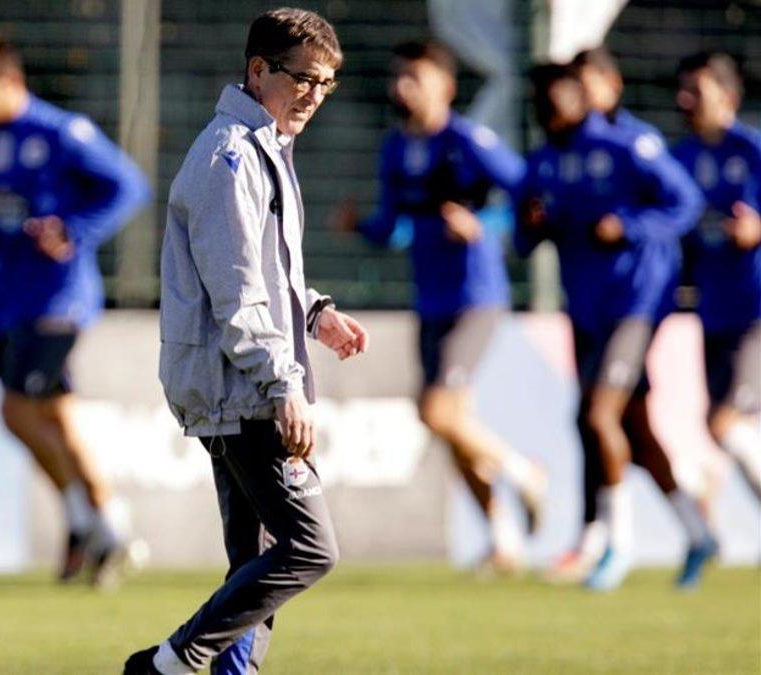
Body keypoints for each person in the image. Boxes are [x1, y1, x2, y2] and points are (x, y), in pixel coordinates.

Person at [126, 9, 368, 674]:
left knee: (256, 563)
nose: (314, 95)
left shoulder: (261, 147)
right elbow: (237, 295)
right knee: (309, 549)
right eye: (303, 79)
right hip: (245, 387)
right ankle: (169, 664)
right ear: (258, 71)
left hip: (244, 383)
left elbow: (266, 270)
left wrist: (315, 313)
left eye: (326, 84)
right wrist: (284, 381)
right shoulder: (230, 155)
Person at [334, 40, 546, 573]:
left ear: (445, 87)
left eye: (416, 78)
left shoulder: (469, 141)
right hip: (430, 297)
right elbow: (394, 225)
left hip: (476, 297)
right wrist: (361, 226)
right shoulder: (396, 148)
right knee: (451, 423)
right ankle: (504, 543)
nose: (403, 88)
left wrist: (487, 228)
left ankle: (525, 474)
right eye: (398, 77)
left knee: (437, 410)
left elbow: (529, 195)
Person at [0, 36, 150, 586]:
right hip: (13, 301)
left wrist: (74, 230)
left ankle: (90, 522)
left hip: (60, 299)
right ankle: (108, 525)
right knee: (55, 416)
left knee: (15, 411)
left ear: (10, 83)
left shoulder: (60, 131)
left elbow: (130, 185)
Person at [516, 63, 715, 592]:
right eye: (542, 101)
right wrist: (531, 226)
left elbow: (686, 202)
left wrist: (627, 225)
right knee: (634, 433)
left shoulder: (628, 144)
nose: (550, 110)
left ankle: (614, 547)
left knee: (596, 414)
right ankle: (698, 533)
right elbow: (522, 237)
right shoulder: (542, 163)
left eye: (559, 97)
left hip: (635, 303)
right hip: (586, 309)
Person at [671, 51, 761, 504]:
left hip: (756, 307)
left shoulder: (752, 152)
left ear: (728, 96)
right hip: (713, 308)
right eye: (682, 90)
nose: (685, 100)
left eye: (697, 91)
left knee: (726, 423)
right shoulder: (678, 159)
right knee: (723, 426)